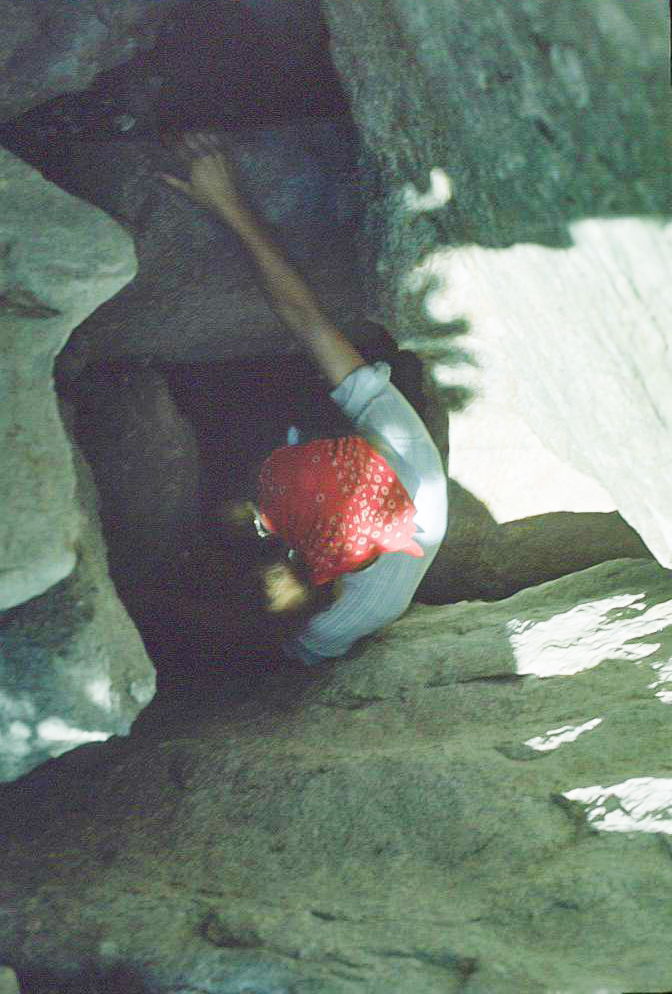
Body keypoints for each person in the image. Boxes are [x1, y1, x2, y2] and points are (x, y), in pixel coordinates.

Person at [161, 133, 448, 665]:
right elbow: (308, 321)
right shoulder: (405, 458)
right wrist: (229, 205)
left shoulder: (341, 618)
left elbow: (263, 644)